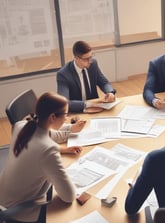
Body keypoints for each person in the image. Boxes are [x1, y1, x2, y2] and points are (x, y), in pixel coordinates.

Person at [0, 92, 76, 223]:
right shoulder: (48, 150)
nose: (66, 118)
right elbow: (68, 196)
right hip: (20, 211)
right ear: (52, 117)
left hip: (5, 195)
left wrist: (71, 129)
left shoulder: (21, 126)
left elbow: (47, 135)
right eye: (65, 115)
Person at [57, 40, 116, 113]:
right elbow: (64, 103)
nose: (90, 61)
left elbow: (104, 82)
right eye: (86, 59)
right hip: (78, 111)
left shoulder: (93, 63)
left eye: (91, 57)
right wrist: (89, 104)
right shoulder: (63, 74)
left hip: (97, 109)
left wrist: (110, 92)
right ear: (76, 58)